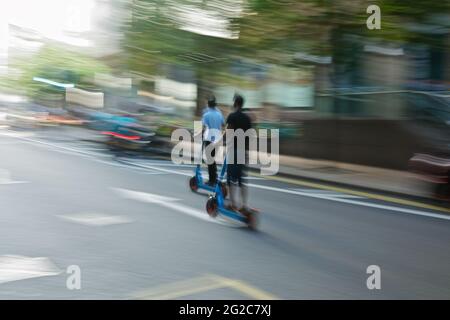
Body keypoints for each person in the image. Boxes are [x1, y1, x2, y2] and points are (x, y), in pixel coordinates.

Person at [225, 94, 256, 215]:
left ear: (235, 103)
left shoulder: (232, 116)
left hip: (234, 150)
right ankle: (244, 205)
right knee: (241, 180)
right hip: (243, 151)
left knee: (230, 179)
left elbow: (228, 133)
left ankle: (233, 204)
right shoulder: (247, 119)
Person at [201, 95, 225, 186]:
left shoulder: (206, 115)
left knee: (209, 159)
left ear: (208, 105)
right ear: (215, 105)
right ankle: (214, 178)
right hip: (217, 138)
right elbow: (223, 124)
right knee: (212, 158)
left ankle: (212, 180)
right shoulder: (219, 114)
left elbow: (203, 127)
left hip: (209, 138)